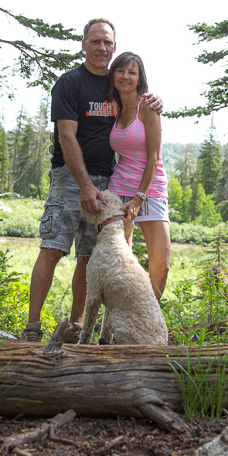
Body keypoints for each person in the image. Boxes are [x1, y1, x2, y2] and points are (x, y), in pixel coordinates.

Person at [21, 18, 161, 342]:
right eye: (95, 41)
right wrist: (85, 186)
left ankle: (75, 329)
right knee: (52, 248)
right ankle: (32, 328)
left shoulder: (116, 85)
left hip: (108, 183)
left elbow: (138, 106)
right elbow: (66, 136)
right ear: (84, 44)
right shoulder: (70, 83)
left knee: (88, 257)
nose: (102, 47)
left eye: (107, 42)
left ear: (114, 47)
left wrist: (156, 100)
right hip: (70, 179)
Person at [106, 52, 171, 300]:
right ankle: (121, 318)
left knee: (161, 265)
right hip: (118, 191)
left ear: (139, 78)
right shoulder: (113, 107)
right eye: (120, 71)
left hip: (150, 192)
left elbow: (153, 158)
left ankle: (149, 314)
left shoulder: (147, 106)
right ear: (113, 75)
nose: (125, 76)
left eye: (132, 72)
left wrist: (139, 198)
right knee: (121, 264)